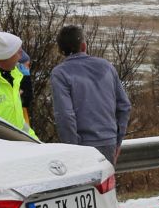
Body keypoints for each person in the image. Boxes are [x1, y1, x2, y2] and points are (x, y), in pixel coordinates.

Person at [50, 24, 131, 162]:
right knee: (106, 184)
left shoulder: (60, 73)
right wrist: (117, 141)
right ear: (83, 46)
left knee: (84, 184)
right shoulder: (106, 66)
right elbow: (124, 106)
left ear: (61, 50)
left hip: (83, 146)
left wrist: (73, 148)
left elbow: (65, 115)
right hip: (108, 142)